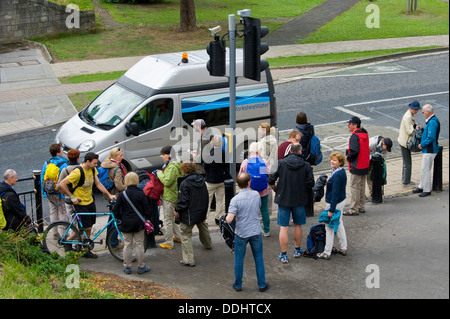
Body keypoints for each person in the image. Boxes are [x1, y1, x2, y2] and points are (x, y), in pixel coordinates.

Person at [58, 152, 116, 258]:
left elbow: (98, 184)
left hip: (90, 201)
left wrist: (109, 195)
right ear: (88, 162)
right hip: (80, 203)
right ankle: (69, 241)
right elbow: (62, 184)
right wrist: (72, 197)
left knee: (88, 227)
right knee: (86, 227)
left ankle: (86, 247)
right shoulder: (78, 172)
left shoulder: (92, 170)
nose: (96, 165)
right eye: (94, 163)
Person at [268, 143, 315, 264]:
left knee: (283, 227)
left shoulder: (280, 163)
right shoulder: (306, 165)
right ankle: (297, 250)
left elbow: (271, 180)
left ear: (290, 151)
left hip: (284, 199)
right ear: (300, 151)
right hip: (299, 199)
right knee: (298, 225)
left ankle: (283, 254)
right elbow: (311, 183)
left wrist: (276, 189)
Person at [226, 172, 269, 293]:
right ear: (249, 182)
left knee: (239, 259)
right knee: (258, 258)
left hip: (241, 233)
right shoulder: (256, 195)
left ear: (238, 184)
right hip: (255, 231)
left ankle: (238, 284)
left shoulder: (235, 200)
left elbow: (229, 219)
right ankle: (262, 284)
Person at [175, 162, 212, 267]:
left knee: (185, 235)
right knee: (202, 226)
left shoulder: (185, 183)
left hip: (189, 214)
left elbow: (183, 201)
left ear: (184, 171)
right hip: (200, 211)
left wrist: (177, 209)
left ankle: (188, 259)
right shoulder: (201, 180)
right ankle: (208, 244)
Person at [113, 172, 151, 274]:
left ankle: (127, 267)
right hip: (139, 223)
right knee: (139, 245)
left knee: (127, 245)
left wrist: (121, 218)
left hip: (126, 222)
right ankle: (141, 266)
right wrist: (144, 218)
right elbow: (147, 210)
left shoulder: (122, 194)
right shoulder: (141, 193)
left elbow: (115, 209)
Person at [316, 152, 348, 260]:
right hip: (341, 201)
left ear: (340, 162)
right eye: (331, 159)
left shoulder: (337, 175)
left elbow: (335, 194)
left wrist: (331, 210)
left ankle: (327, 252)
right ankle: (343, 247)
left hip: (334, 203)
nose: (332, 161)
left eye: (335, 160)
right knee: (339, 224)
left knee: (328, 227)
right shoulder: (340, 172)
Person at [239, 142, 271, 237]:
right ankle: (266, 230)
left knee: (250, 211)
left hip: (250, 191)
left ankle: (251, 230)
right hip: (263, 190)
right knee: (264, 210)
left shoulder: (246, 162)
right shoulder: (263, 161)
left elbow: (241, 175)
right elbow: (269, 173)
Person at [155, 146, 182, 249]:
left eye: (163, 154)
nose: (162, 156)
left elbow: (167, 181)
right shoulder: (177, 163)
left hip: (170, 196)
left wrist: (159, 173)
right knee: (173, 218)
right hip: (176, 194)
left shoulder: (171, 166)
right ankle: (178, 237)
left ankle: (169, 242)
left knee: (168, 219)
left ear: (169, 155)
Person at [343, 116, 370, 216]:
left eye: (350, 124)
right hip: (365, 164)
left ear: (355, 125)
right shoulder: (364, 133)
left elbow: (354, 151)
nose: (348, 125)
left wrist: (347, 158)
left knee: (354, 187)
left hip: (356, 165)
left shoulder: (354, 136)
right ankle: (361, 206)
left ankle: (354, 209)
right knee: (362, 186)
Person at [413, 104, 441, 198]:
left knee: (425, 170)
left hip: (430, 149)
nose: (423, 113)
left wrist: (422, 144)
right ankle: (422, 186)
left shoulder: (432, 122)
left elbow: (431, 137)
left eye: (423, 112)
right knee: (424, 169)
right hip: (429, 149)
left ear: (428, 112)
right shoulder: (432, 121)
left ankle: (426, 189)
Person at [41, 143, 68, 239]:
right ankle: (64, 234)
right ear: (57, 153)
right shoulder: (63, 164)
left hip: (49, 191)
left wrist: (44, 191)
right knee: (63, 211)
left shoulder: (47, 163)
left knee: (53, 211)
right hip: (59, 192)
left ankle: (55, 233)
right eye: (61, 150)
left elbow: (42, 178)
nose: (62, 152)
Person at [203, 135, 231, 225]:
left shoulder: (209, 155)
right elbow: (226, 166)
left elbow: (205, 167)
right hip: (221, 180)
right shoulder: (224, 153)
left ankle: (205, 219)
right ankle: (218, 217)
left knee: (207, 201)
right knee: (220, 200)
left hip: (210, 181)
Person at [398, 101, 421, 187]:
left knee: (406, 162)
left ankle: (405, 179)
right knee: (407, 163)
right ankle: (405, 182)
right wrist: (416, 129)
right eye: (416, 109)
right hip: (405, 142)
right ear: (412, 109)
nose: (417, 111)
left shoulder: (409, 115)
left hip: (404, 141)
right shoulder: (408, 117)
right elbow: (410, 131)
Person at [57, 149, 81, 217]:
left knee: (71, 216)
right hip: (81, 195)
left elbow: (59, 185)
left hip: (69, 196)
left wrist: (65, 193)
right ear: (77, 158)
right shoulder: (82, 168)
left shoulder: (66, 170)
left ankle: (73, 227)